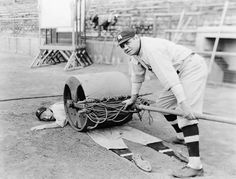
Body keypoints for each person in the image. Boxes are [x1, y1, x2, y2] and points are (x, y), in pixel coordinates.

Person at [117, 29, 208, 178]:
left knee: (185, 115)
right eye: (122, 45)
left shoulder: (151, 49)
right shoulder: (135, 54)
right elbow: (137, 77)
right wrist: (133, 98)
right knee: (163, 106)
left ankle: (196, 166)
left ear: (136, 37)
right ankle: (182, 137)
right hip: (179, 73)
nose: (125, 47)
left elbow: (170, 79)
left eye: (127, 42)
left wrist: (184, 104)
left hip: (191, 67)